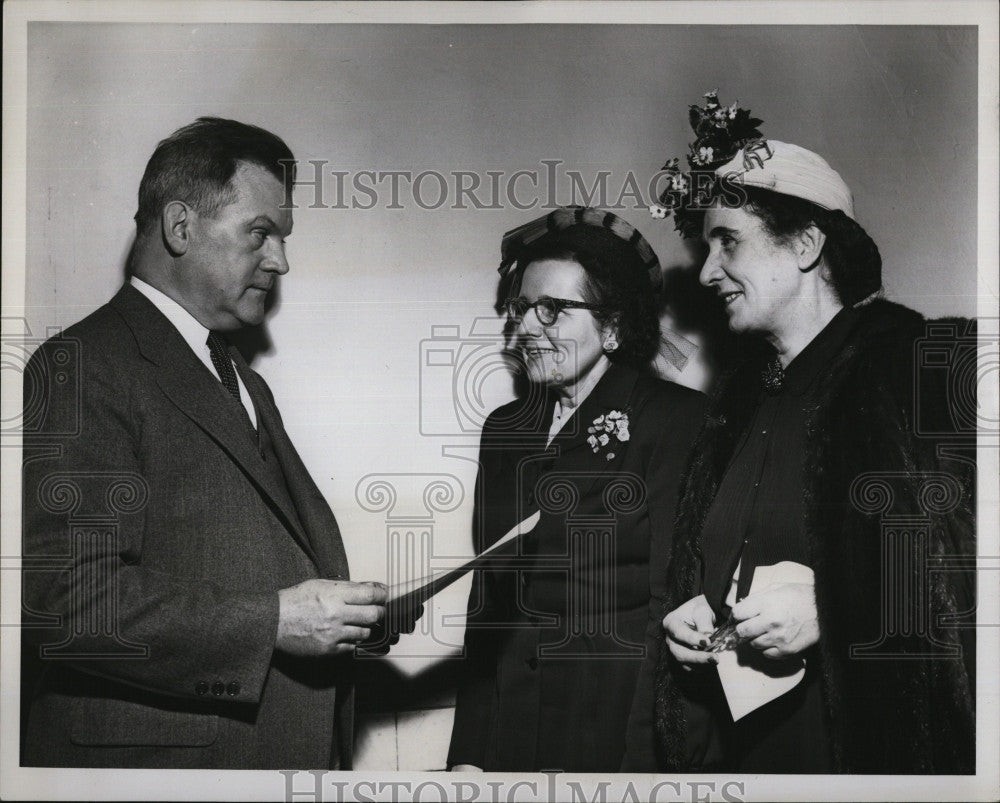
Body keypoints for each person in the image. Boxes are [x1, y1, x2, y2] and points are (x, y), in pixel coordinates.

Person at [20, 117, 412, 769]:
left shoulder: (243, 380)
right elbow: (64, 596)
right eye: (261, 233)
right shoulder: (82, 365)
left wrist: (343, 617)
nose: (282, 261)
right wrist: (274, 623)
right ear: (181, 227)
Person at [651, 94, 976, 773]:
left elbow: (972, 573)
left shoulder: (921, 368)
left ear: (805, 245)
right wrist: (694, 615)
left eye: (728, 241)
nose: (708, 271)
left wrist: (833, 605)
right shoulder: (739, 406)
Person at [447, 206, 706, 772]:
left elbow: (669, 601)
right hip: (511, 728)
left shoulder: (676, 420)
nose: (528, 328)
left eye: (554, 310)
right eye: (521, 308)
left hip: (613, 730)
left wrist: (638, 765)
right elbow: (488, 601)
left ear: (612, 327)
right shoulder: (505, 430)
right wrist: (468, 754)